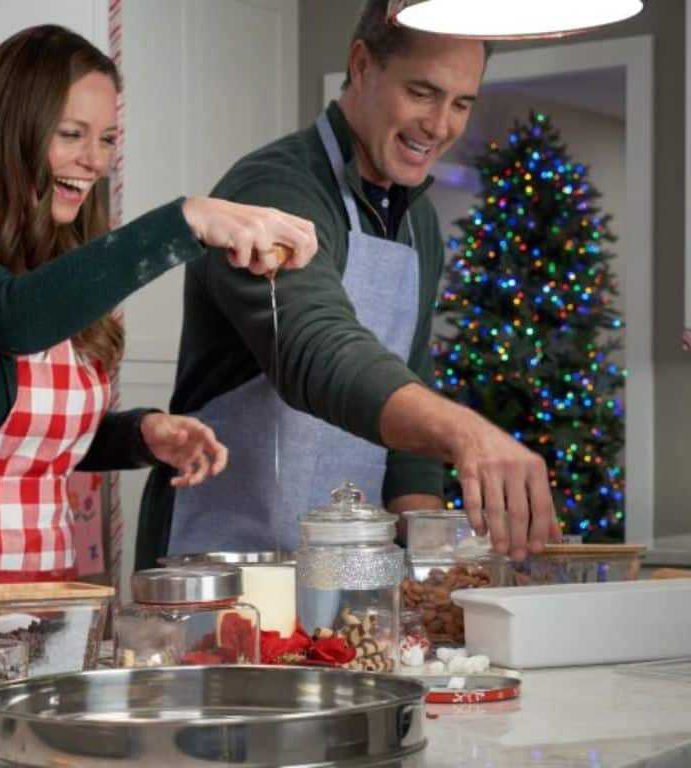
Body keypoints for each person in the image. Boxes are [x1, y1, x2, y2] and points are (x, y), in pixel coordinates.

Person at [0, 24, 317, 587]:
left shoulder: (62, 265)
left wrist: (140, 434)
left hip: (47, 586)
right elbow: (11, 317)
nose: (94, 160)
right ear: (9, 132)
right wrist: (186, 220)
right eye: (72, 134)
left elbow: (33, 436)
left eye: (106, 139)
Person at [137, 0, 559, 570]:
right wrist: (465, 432)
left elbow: (410, 378)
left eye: (461, 103)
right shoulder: (275, 188)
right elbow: (314, 346)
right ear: (361, 65)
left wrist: (434, 565)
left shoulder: (418, 221)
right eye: (422, 92)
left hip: (349, 564)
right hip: (224, 555)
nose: (440, 125)